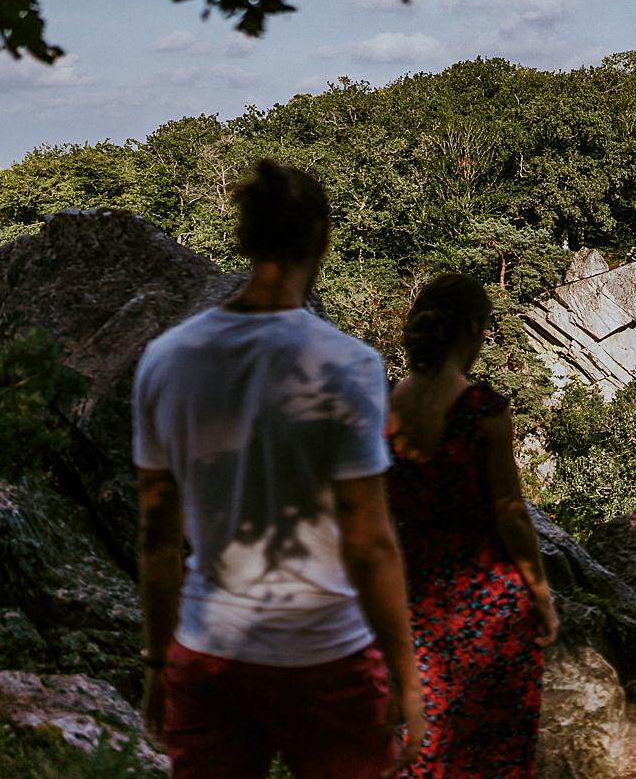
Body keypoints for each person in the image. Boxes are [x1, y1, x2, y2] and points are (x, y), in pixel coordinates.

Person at [133, 159, 427, 779]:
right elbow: (370, 542)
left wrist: (159, 665)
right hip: (325, 653)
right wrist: (407, 681)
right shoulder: (345, 365)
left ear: (244, 239)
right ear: (320, 240)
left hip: (209, 652)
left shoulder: (167, 361)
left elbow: (158, 542)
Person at [385, 273, 558, 778]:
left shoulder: (387, 403)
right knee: (495, 750)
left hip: (415, 593)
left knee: (423, 743)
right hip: (488, 600)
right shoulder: (483, 410)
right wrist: (541, 595)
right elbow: (510, 512)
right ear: (475, 329)